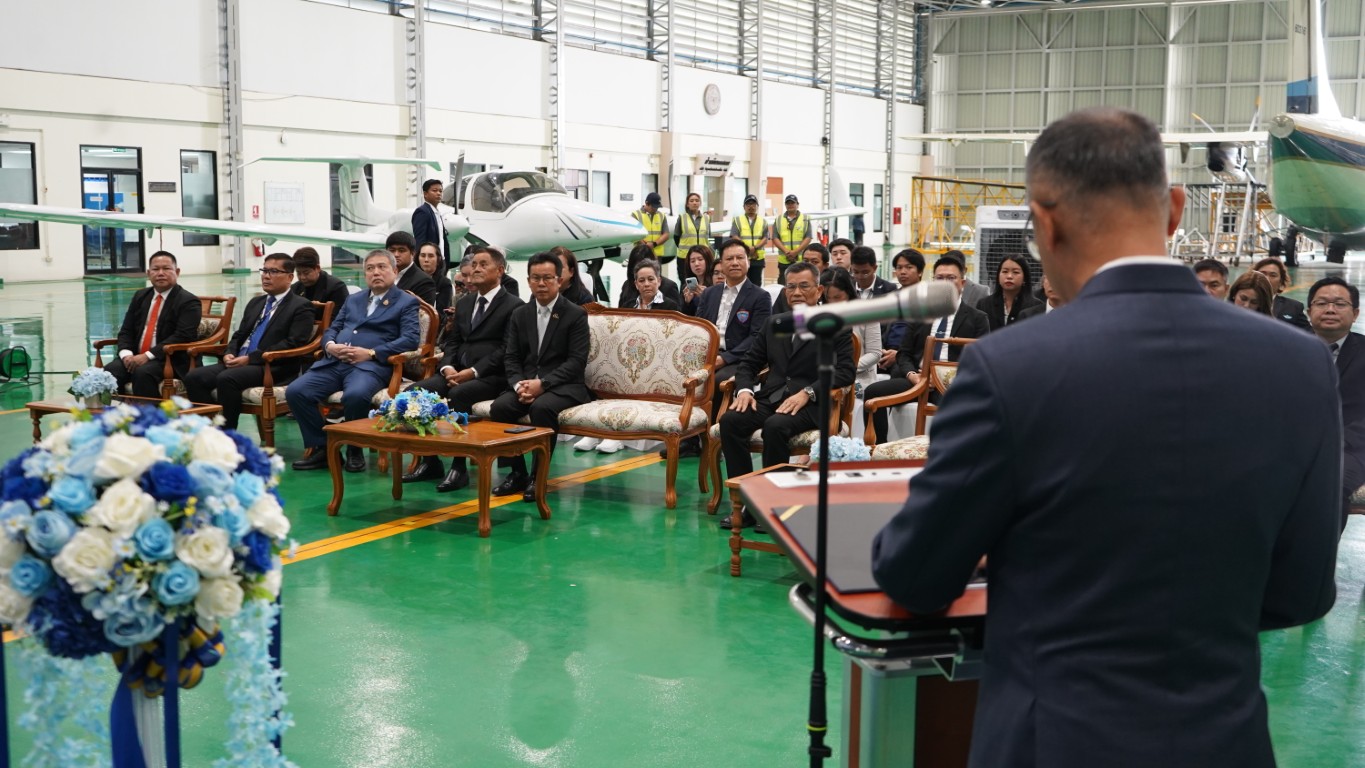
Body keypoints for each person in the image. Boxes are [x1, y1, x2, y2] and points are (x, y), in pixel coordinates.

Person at [871, 107, 1341, 768]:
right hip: (1223, 740)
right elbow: (1301, 592)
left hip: (1053, 740)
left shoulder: (1010, 367)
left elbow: (916, 575)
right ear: (1173, 209)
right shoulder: (1299, 365)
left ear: (1043, 224)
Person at [719, 261, 854, 530]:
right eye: (791, 287)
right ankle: (745, 501)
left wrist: (808, 392)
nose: (797, 292)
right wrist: (744, 390)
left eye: (804, 286)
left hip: (812, 404)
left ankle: (775, 505)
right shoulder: (775, 323)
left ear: (819, 290)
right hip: (772, 397)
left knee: (775, 427)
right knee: (731, 420)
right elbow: (748, 364)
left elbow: (845, 372)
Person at [403, 245, 525, 492]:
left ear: (500, 270)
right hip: (456, 372)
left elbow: (506, 350)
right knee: (414, 392)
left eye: (483, 265)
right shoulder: (466, 302)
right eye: (474, 264)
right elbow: (453, 342)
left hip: (492, 376)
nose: (476, 269)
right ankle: (430, 460)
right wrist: (447, 367)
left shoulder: (514, 305)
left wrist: (473, 372)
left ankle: (459, 467)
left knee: (460, 394)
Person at [287, 249, 421, 472]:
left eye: (382, 267)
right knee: (296, 391)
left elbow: (410, 339)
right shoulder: (353, 299)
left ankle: (354, 448)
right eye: (370, 268)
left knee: (356, 395)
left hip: (370, 366)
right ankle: (323, 448)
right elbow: (333, 328)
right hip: (335, 362)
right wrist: (330, 345)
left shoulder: (406, 302)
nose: (375, 272)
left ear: (395, 271)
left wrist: (371, 353)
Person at [490, 252, 592, 503]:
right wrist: (518, 385)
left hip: (564, 386)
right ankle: (517, 473)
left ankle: (539, 476)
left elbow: (576, 362)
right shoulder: (520, 314)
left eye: (547, 278)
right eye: (536, 278)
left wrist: (543, 384)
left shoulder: (575, 314)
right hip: (526, 383)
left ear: (559, 280)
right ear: (528, 281)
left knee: (542, 408)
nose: (541, 284)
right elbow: (511, 357)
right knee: (500, 407)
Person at [861, 255, 989, 443]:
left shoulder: (977, 318)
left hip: (951, 383)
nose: (945, 283)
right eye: (940, 278)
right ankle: (878, 449)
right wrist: (913, 375)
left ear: (962, 283)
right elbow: (904, 353)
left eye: (951, 278)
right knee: (872, 392)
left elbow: (981, 360)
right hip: (919, 380)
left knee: (960, 408)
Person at [183, 253, 316, 431]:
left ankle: (227, 434)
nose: (266, 276)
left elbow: (294, 343)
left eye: (273, 271)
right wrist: (230, 352)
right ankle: (208, 429)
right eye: (264, 270)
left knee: (227, 378)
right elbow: (239, 335)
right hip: (239, 362)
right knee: (194, 377)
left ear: (290, 277)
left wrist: (250, 359)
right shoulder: (256, 302)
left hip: (272, 366)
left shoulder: (301, 306)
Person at [680, 238, 772, 459]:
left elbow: (756, 337)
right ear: (721, 263)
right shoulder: (710, 293)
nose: (735, 262)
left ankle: (714, 441)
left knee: (718, 380)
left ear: (748, 262)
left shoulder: (760, 296)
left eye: (740, 258)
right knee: (684, 375)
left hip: (741, 359)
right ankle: (689, 439)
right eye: (729, 258)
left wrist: (726, 358)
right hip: (708, 355)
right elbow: (700, 327)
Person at [1306, 275, 1365, 526]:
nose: (1330, 309)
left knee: (1331, 484)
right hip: (1293, 443)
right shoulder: (1284, 348)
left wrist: (1332, 441)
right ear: (1309, 312)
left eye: (1340, 304)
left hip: (1349, 448)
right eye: (1321, 303)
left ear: (1355, 313)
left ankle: (1318, 549)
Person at [103, 251, 202, 398]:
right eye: (155, 269)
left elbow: (183, 336)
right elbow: (126, 331)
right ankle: (119, 412)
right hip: (136, 356)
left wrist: (147, 356)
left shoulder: (188, 301)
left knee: (143, 373)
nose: (160, 273)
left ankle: (150, 413)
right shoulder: (140, 296)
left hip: (170, 360)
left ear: (177, 272)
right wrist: (126, 355)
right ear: (149, 273)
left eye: (166, 268)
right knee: (110, 371)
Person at [819, 267, 882, 393]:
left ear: (849, 292)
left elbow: (875, 353)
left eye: (837, 297)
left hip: (859, 379)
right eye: (827, 298)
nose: (832, 303)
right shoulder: (818, 312)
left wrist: (845, 369)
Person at [881, 248, 927, 370]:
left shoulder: (929, 300)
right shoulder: (889, 298)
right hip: (884, 353)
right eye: (899, 268)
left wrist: (899, 355)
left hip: (910, 359)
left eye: (909, 267)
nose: (902, 272)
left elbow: (925, 340)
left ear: (920, 272)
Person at [976, 254, 1041, 331]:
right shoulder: (984, 304)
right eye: (1005, 271)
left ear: (1024, 278)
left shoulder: (1036, 306)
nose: (1009, 276)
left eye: (1015, 272)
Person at [291, 247, 351, 322]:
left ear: (317, 268)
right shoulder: (295, 288)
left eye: (306, 273)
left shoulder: (336, 288)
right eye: (298, 273)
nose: (302, 277)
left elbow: (340, 320)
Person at [1253, 256, 1311, 330]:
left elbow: (1308, 334)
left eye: (1273, 275)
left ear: (1281, 282)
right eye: (1262, 274)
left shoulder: (1294, 307)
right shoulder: (1241, 302)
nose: (1266, 278)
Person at [618, 243, 681, 309]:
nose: (646, 284)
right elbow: (620, 312)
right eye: (641, 280)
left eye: (650, 279)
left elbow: (677, 312)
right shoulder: (627, 286)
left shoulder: (669, 287)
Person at [387, 231, 437, 306]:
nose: (396, 254)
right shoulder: (382, 275)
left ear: (413, 253)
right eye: (392, 250)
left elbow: (423, 312)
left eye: (401, 250)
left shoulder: (424, 281)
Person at [729, 194, 770, 285]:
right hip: (742, 257)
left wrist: (755, 247)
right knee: (741, 283)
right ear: (744, 207)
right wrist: (747, 248)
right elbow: (734, 236)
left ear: (757, 206)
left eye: (753, 204)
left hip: (757, 258)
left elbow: (765, 238)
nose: (751, 206)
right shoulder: (737, 220)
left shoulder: (763, 221)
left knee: (756, 284)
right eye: (748, 204)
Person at [672, 192, 710, 283]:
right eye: (691, 201)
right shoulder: (682, 218)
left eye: (697, 200)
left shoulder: (706, 218)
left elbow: (708, 236)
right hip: (684, 257)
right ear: (687, 204)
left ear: (700, 203)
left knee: (703, 281)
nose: (694, 203)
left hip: (702, 256)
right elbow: (676, 236)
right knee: (686, 282)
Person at [773, 194, 811, 284]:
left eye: (792, 203)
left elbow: (808, 237)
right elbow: (775, 238)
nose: (790, 205)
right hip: (784, 259)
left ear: (797, 204)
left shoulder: (805, 219)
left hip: (800, 259)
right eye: (788, 203)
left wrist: (796, 252)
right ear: (785, 205)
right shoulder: (778, 219)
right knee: (783, 285)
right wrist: (786, 251)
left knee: (801, 283)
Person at [412, 178, 448, 264]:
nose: (438, 193)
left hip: (440, 261)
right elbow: (420, 240)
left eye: (440, 191)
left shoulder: (437, 213)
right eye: (434, 190)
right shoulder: (422, 212)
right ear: (425, 194)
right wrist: (421, 263)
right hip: (428, 262)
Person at [418, 241, 453, 315]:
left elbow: (442, 312)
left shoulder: (444, 283)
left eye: (431, 256)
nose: (426, 260)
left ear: (438, 259)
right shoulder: (411, 279)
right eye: (423, 256)